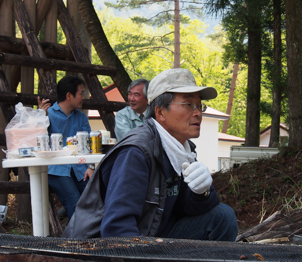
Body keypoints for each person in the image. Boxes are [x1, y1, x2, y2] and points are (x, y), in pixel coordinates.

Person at [63, 68, 238, 241]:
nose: (198, 113)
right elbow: (117, 229)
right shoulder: (136, 153)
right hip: (106, 248)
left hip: (157, 234)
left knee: (222, 217)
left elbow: (186, 208)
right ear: (160, 112)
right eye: (188, 104)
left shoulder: (182, 150)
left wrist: (202, 192)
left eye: (199, 106)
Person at [38, 76, 94, 221]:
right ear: (69, 95)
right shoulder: (47, 114)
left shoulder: (81, 117)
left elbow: (89, 145)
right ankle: (79, 241)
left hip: (80, 169)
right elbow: (36, 140)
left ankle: (90, 237)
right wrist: (40, 119)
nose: (83, 97)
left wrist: (91, 166)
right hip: (55, 170)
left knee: (95, 199)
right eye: (81, 93)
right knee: (74, 203)